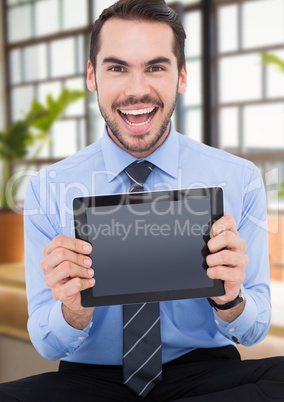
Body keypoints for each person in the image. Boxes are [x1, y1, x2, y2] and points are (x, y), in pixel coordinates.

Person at [1, 0, 284, 401]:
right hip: (91, 379)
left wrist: (232, 296)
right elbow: (49, 344)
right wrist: (72, 308)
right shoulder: (48, 188)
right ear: (92, 76)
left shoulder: (238, 178)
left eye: (155, 67)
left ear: (181, 77)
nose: (137, 89)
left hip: (204, 374)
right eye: (117, 68)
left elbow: (252, 332)